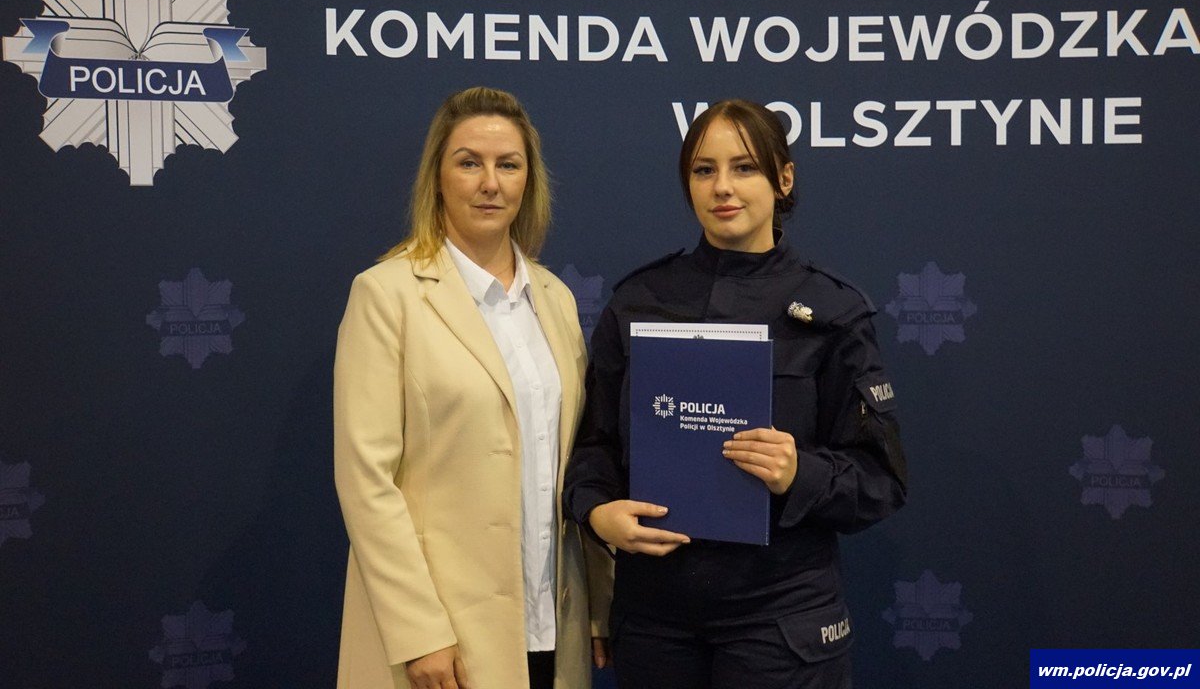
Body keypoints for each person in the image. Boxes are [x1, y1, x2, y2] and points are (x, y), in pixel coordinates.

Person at [563, 99, 908, 689]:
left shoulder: (832, 311)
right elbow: (594, 445)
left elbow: (880, 481)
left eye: (744, 167)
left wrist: (799, 472)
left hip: (781, 619)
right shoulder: (639, 301)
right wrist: (597, 512)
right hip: (654, 621)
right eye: (704, 170)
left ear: (784, 178)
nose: (722, 187)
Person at [334, 87, 612, 689]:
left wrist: (598, 602)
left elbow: (577, 463)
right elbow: (366, 481)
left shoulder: (556, 300)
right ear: (438, 177)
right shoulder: (386, 295)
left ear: (528, 181)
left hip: (550, 627)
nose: (490, 183)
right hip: (442, 641)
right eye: (469, 163)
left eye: (508, 165)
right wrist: (419, 631)